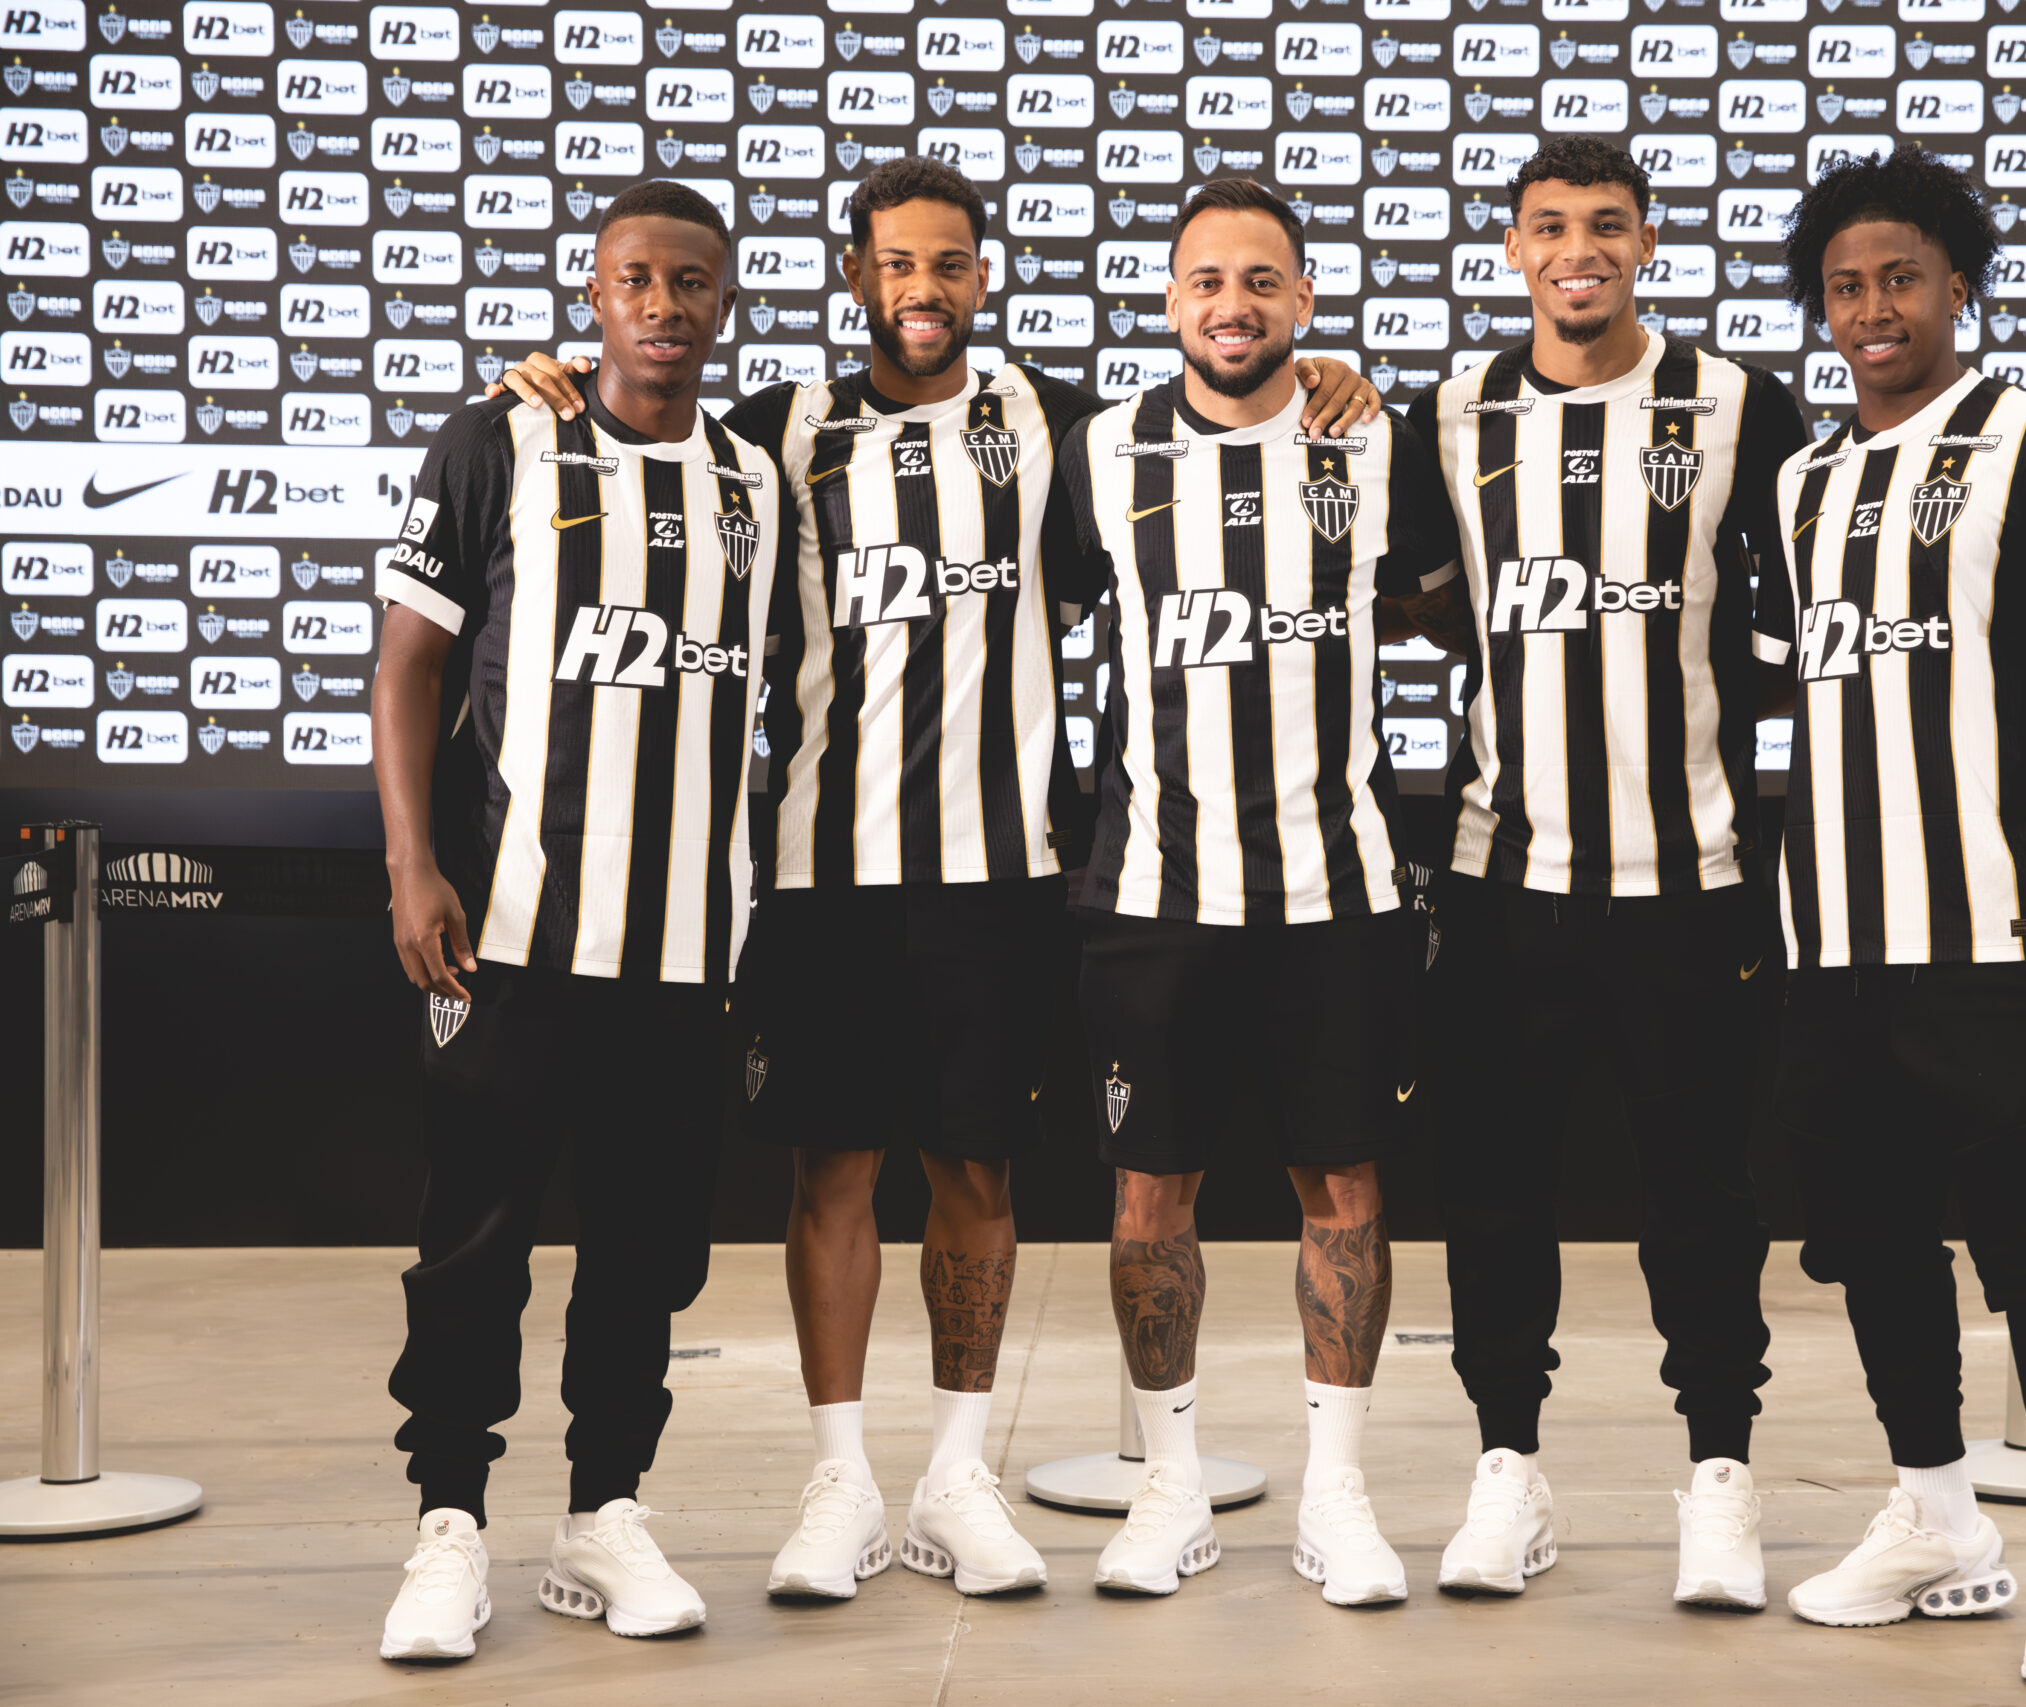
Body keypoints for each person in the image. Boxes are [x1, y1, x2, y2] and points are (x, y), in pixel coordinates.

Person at [481, 158, 1385, 1603]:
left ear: (984, 276)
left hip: (1004, 876)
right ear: (857, 277)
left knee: (977, 1171)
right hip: (821, 874)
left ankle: (959, 1477)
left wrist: (1328, 381)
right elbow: (643, 438)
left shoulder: (1056, 429)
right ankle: (841, 1483)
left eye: (949, 263)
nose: (923, 288)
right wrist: (552, 385)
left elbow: (1221, 433)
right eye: (897, 264)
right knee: (832, 1169)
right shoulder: (777, 435)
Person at [1382, 137, 1805, 1605]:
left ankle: (1720, 1476)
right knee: (1496, 1194)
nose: (1580, 250)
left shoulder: (1740, 403)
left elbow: (1790, 618)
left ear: (1647, 244)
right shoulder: (1451, 413)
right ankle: (1508, 1468)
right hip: (1505, 883)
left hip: (1693, 881)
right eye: (1550, 226)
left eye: (1608, 225)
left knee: (1702, 1200)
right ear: (1512, 249)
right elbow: (1432, 602)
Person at [370, 180, 789, 1660]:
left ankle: (603, 1514)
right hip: (509, 937)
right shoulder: (498, 439)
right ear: (594, 292)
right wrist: (413, 865)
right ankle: (449, 1526)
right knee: (473, 1246)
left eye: (692, 281)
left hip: (682, 951)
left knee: (644, 1253)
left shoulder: (759, 479)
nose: (663, 305)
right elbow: (409, 665)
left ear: (726, 302)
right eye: (636, 279)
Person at [1753, 144, 2026, 1689]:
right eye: (1845, 287)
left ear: (1958, 286)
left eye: (1900, 280)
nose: (1872, 310)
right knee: (1871, 1240)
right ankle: (1935, 1516)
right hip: (1836, 946)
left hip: (2001, 934)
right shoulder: (1803, 483)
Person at [1046, 178, 1461, 1606]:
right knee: (1149, 1190)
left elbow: (1434, 604)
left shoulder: (1377, 442)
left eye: (1262, 280)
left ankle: (1337, 1496)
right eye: (1207, 281)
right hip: (1153, 893)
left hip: (1339, 893)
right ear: (1172, 301)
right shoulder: (1100, 451)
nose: (1234, 305)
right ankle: (1170, 1487)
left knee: (1342, 1184)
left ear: (1304, 300)